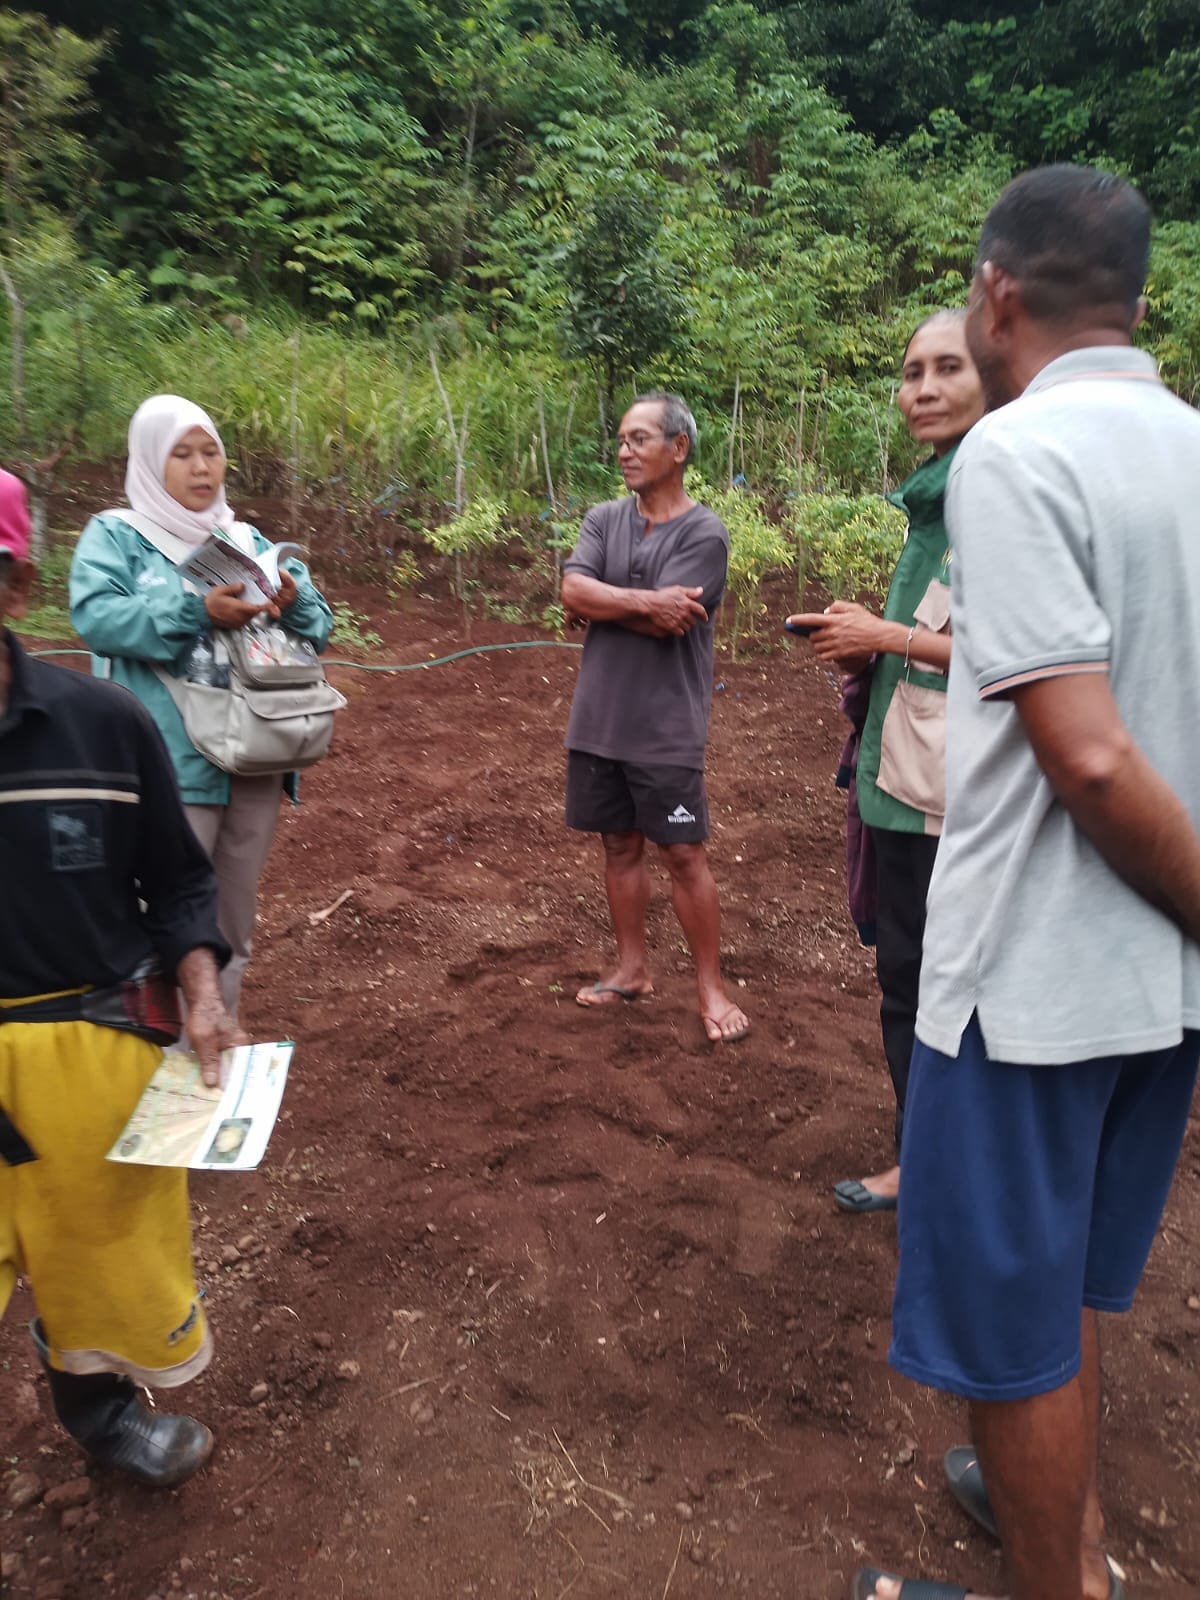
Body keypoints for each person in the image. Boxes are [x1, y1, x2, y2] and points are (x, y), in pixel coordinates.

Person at [855, 165, 1200, 1600]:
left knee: (1010, 1325)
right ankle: (1066, 1546)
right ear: (1138, 298)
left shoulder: (1018, 454)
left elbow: (1094, 761)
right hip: (1157, 983)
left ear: (998, 294)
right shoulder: (1189, 446)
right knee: (1059, 1293)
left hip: (1027, 986)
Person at [0, 468, 243, 1486]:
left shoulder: (103, 725)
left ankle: (100, 1411)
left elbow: (179, 881)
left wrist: (198, 988)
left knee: (99, 1257)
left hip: (87, 1049)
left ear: (14, 584)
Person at [789, 312, 984, 1212]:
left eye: (949, 367)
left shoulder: (993, 494)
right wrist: (874, 639)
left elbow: (1026, 649)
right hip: (908, 780)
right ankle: (925, 1155)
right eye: (911, 372)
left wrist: (889, 633)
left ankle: (940, 1165)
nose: (924, 389)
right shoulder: (937, 501)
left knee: (938, 985)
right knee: (906, 975)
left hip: (952, 794)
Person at [69, 395, 333, 1021]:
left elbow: (319, 623)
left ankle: (215, 1059)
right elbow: (97, 617)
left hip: (257, 753)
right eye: (181, 454)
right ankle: (157, 1062)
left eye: (210, 452)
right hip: (168, 761)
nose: (199, 468)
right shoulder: (119, 536)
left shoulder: (245, 537)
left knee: (232, 921)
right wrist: (195, 610)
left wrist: (290, 600)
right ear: (150, 462)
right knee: (161, 916)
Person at [561, 391, 749, 1043]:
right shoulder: (602, 517)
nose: (624, 451)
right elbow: (573, 590)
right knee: (618, 845)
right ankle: (632, 969)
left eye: (639, 439)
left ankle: (710, 990)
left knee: (683, 854)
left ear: (679, 447)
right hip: (599, 718)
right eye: (620, 440)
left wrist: (603, 602)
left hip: (666, 724)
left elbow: (678, 615)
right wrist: (637, 601)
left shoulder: (705, 532)